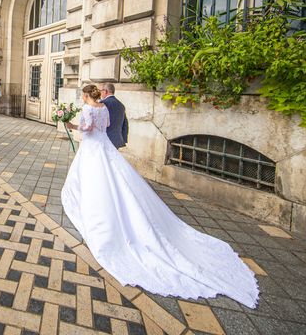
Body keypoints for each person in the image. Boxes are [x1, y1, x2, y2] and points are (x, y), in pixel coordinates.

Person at [62, 84, 259, 308]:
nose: (83, 97)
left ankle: (96, 213)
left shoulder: (88, 109)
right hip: (105, 146)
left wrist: (70, 124)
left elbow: (86, 129)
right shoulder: (104, 109)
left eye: (83, 95)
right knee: (117, 181)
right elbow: (106, 127)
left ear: (86, 95)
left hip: (92, 148)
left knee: (94, 180)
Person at [99, 83, 128, 149]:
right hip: (116, 140)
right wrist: (123, 139)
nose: (100, 93)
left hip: (104, 140)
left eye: (101, 91)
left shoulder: (102, 104)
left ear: (105, 91)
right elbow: (125, 124)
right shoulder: (121, 105)